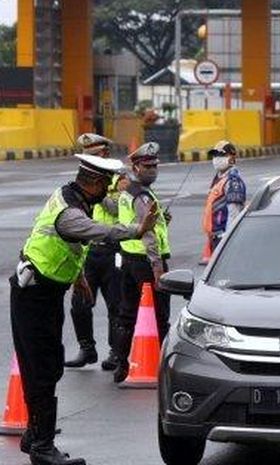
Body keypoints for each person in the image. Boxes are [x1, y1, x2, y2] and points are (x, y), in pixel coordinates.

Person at [10, 154, 157, 465]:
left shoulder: (71, 197)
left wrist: (79, 279)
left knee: (43, 365)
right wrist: (137, 229)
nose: (109, 189)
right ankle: (42, 447)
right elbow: (97, 232)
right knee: (43, 368)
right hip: (34, 294)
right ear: (92, 182)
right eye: (106, 183)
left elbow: (68, 245)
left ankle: (35, 434)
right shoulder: (70, 214)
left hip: (44, 291)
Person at [64, 133, 125, 371]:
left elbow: (116, 207)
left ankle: (115, 352)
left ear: (105, 153)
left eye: (96, 153)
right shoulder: (84, 181)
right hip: (88, 251)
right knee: (80, 302)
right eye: (88, 154)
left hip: (112, 249)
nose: (92, 157)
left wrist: (99, 191)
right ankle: (86, 348)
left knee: (115, 305)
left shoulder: (119, 177)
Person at [112, 142, 172, 384]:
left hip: (128, 259)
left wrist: (163, 221)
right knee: (160, 315)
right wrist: (157, 267)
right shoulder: (141, 195)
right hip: (147, 263)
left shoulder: (129, 193)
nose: (152, 170)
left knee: (126, 314)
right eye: (147, 166)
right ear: (135, 168)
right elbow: (147, 234)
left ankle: (121, 364)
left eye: (155, 166)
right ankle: (162, 366)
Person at [203, 140, 247, 251]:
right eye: (215, 155)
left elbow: (234, 213)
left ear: (232, 158)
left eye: (221, 155)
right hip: (214, 238)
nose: (217, 158)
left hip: (223, 238)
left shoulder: (233, 181)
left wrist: (227, 240)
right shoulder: (219, 178)